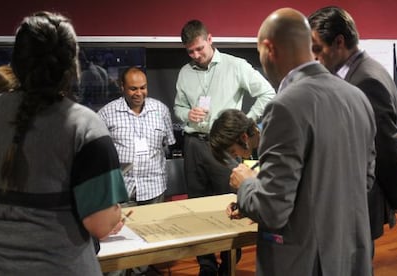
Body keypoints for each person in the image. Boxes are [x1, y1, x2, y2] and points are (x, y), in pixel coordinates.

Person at [228, 8, 376, 275]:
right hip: (353, 256)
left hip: (306, 263)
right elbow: (364, 181)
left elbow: (273, 210)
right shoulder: (358, 98)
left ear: (268, 48)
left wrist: (246, 185)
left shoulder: (284, 106)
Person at [0, 11, 128, 276]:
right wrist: (115, 213)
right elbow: (101, 225)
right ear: (72, 66)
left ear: (17, 62)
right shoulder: (86, 127)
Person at [174, 19, 275, 276]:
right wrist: (188, 115)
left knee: (233, 205)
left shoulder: (236, 65)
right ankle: (206, 266)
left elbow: (267, 93)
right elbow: (178, 107)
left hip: (227, 148)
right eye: (190, 51)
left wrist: (245, 125)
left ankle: (228, 263)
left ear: (210, 39)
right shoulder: (185, 73)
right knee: (196, 207)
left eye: (199, 49)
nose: (196, 56)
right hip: (194, 145)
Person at [308, 6, 397, 256]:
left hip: (356, 203)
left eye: (317, 48)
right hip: (349, 202)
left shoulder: (365, 81)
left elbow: (386, 147)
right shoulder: (361, 72)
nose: (314, 57)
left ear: (339, 42)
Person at [98, 67, 175, 206]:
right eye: (133, 89)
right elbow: (99, 152)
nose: (139, 93)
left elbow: (167, 144)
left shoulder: (161, 110)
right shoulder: (106, 113)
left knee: (155, 227)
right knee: (125, 228)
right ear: (122, 87)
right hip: (121, 189)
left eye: (143, 88)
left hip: (154, 187)